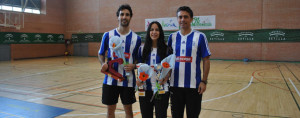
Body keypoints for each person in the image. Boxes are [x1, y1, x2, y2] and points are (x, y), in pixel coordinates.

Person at [98, 4, 141, 118]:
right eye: (122, 14)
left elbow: (138, 59)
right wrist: (103, 64)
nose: (124, 17)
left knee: (129, 111)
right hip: (110, 80)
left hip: (128, 80)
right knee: (110, 111)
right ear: (118, 16)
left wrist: (134, 66)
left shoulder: (136, 38)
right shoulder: (108, 35)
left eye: (127, 15)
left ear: (130, 17)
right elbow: (101, 53)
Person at [167, 6, 211, 118]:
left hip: (194, 86)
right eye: (180, 17)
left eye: (185, 17)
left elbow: (206, 59)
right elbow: (167, 61)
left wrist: (204, 81)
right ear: (177, 19)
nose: (182, 19)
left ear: (191, 19)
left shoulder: (200, 36)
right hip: (174, 86)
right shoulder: (172, 37)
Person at [137, 21, 172, 118]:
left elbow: (169, 70)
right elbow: (139, 67)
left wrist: (165, 78)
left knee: (161, 115)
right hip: (145, 90)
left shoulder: (167, 50)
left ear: (160, 32)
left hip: (162, 90)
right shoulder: (142, 49)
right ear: (148, 32)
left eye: (157, 30)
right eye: (152, 29)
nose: (154, 32)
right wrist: (138, 80)